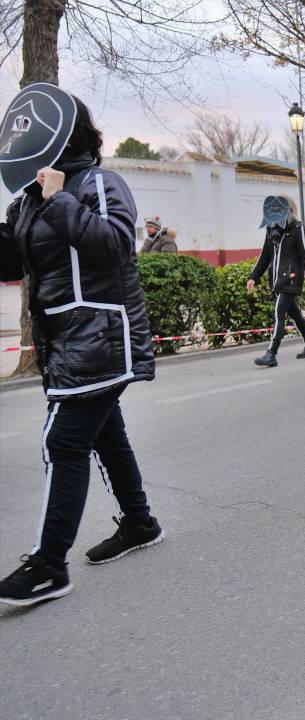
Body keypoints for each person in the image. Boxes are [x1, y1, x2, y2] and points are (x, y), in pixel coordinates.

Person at [0, 94, 163, 608]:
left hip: (102, 336)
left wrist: (60, 198)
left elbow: (115, 247)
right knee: (105, 434)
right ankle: (139, 522)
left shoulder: (99, 183)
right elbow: (14, 266)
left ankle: (49, 566)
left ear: (67, 133)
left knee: (63, 442)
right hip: (62, 341)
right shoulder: (28, 199)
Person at [247, 196, 305, 367]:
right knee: (294, 313)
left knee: (278, 313)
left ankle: (271, 354)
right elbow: (264, 256)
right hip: (277, 280)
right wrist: (253, 277)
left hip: (291, 279)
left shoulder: (298, 228)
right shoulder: (271, 230)